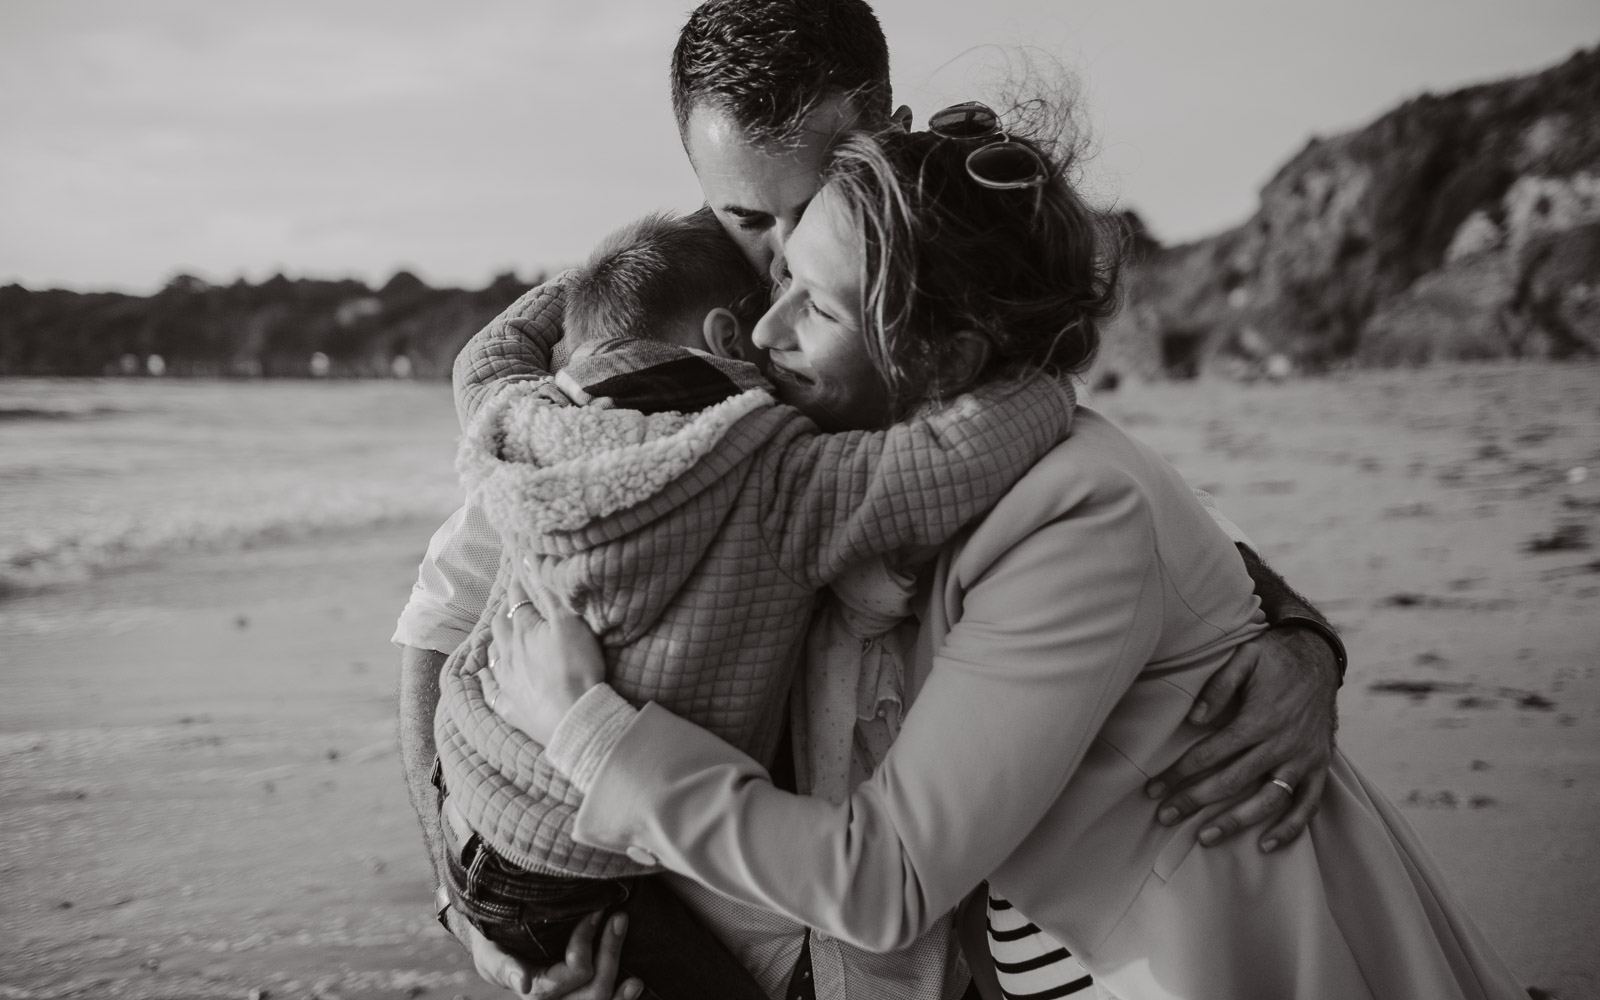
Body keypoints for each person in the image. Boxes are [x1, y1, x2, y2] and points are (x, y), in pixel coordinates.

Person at [395, 2, 1345, 996]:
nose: (773, 274)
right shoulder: (659, 342)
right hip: (717, 909)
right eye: (746, 220)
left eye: (808, 206)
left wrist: (1296, 639)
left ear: (880, 132)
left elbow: (1124, 503)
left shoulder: (928, 295)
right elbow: (447, 609)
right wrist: (466, 899)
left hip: (912, 924)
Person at [490, 118, 1527, 1000]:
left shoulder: (1077, 512)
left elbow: (885, 875)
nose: (766, 330)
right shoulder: (797, 467)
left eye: (823, 306)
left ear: (943, 356)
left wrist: (589, 738)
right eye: (780, 278)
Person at [434, 205, 1074, 999]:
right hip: (588, 857)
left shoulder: (512, 422)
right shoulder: (772, 473)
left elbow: (486, 354)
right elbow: (949, 458)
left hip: (474, 812)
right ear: (732, 339)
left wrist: (589, 287)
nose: (783, 323)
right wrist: (1047, 376)